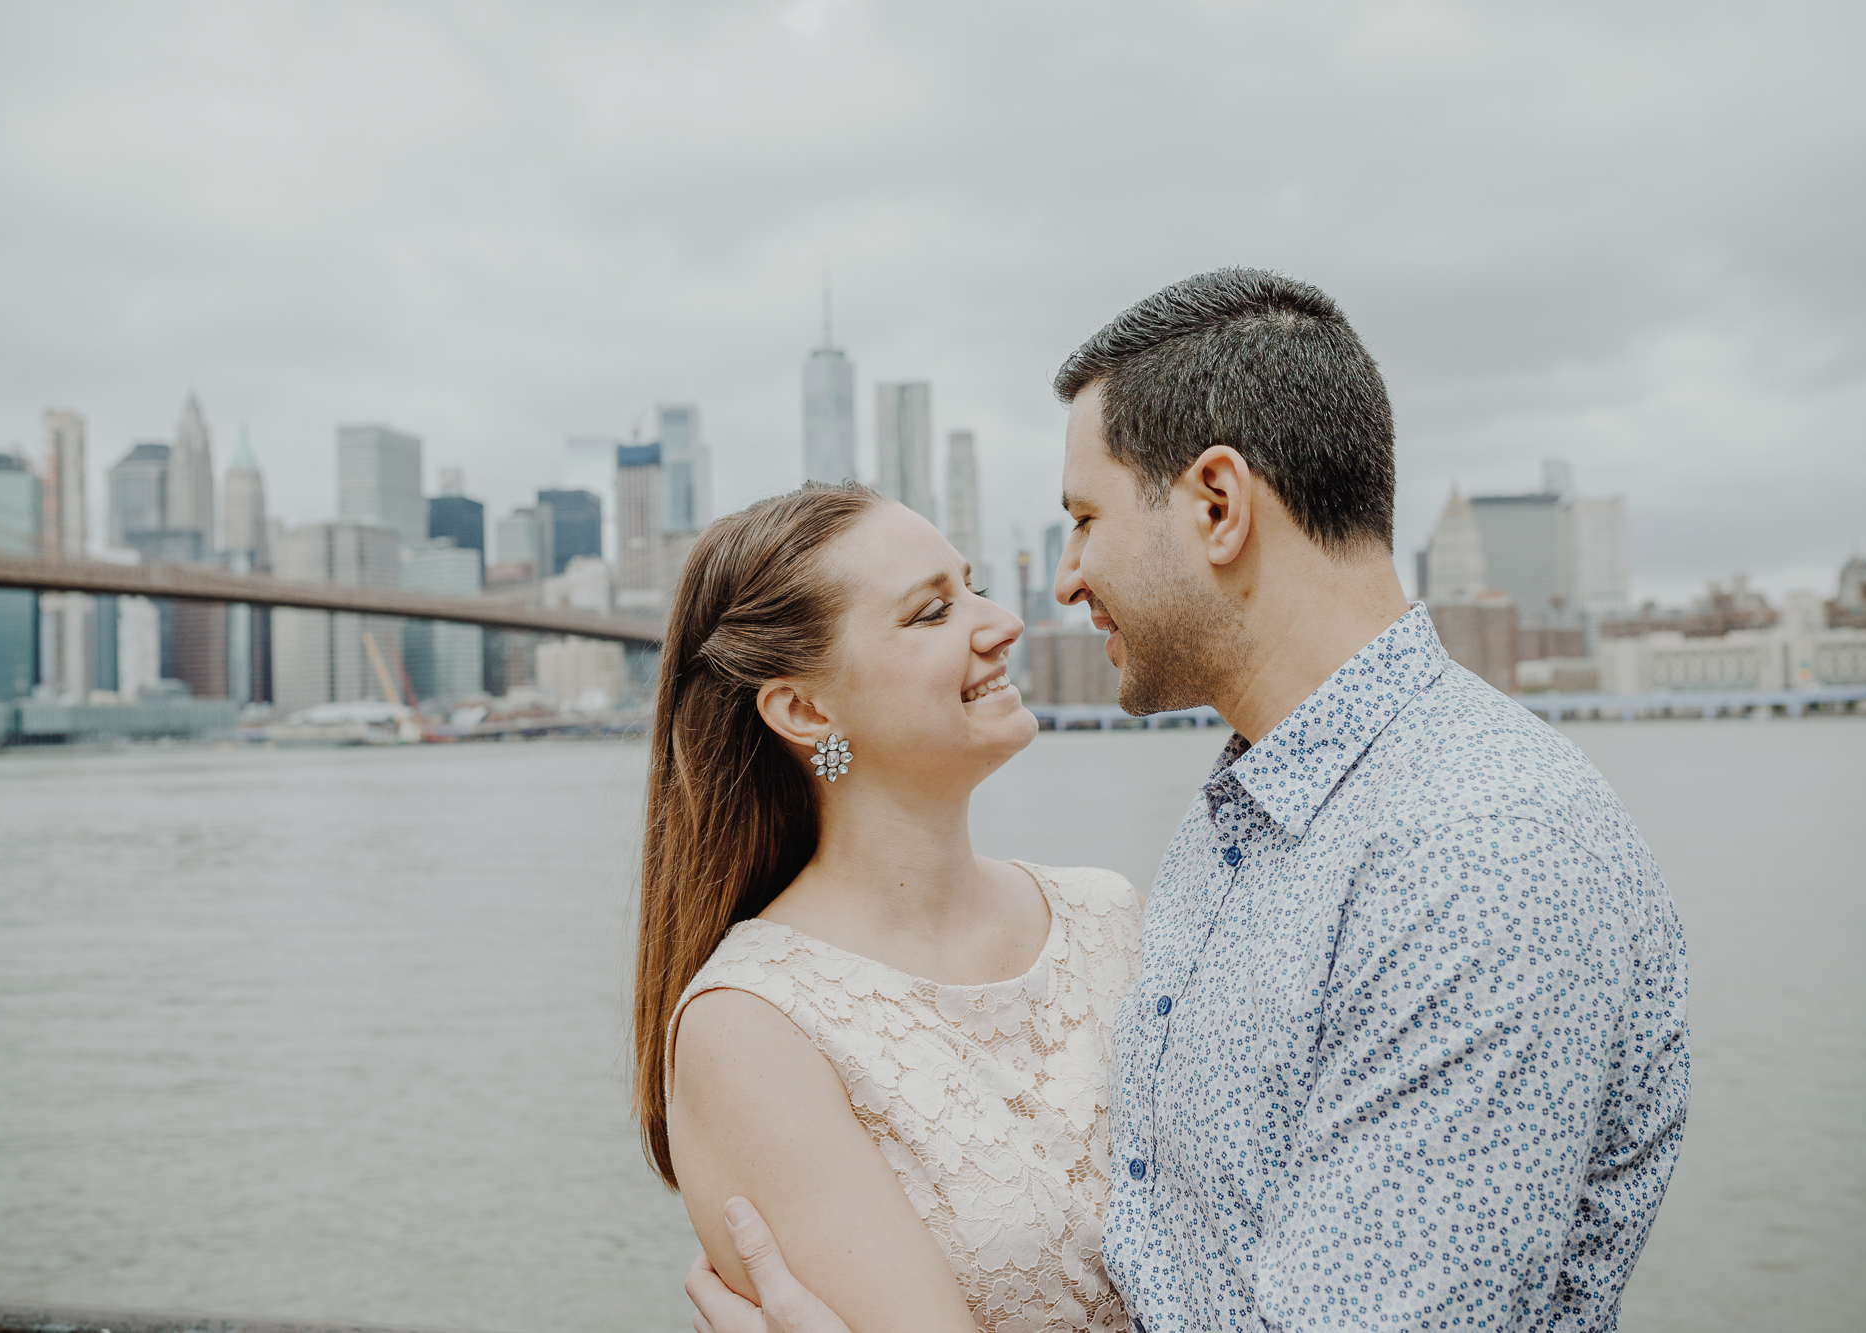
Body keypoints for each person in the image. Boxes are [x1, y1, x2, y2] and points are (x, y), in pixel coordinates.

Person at [685, 268, 1690, 1333]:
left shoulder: (1475, 855)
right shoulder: (1242, 828)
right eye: (933, 609)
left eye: (1084, 518)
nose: (1059, 585)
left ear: (1217, 506)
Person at [634, 481, 1144, 1333]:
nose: (1001, 622)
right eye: (931, 613)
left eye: (971, 585)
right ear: (805, 708)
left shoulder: (1111, 915)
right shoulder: (754, 1025)